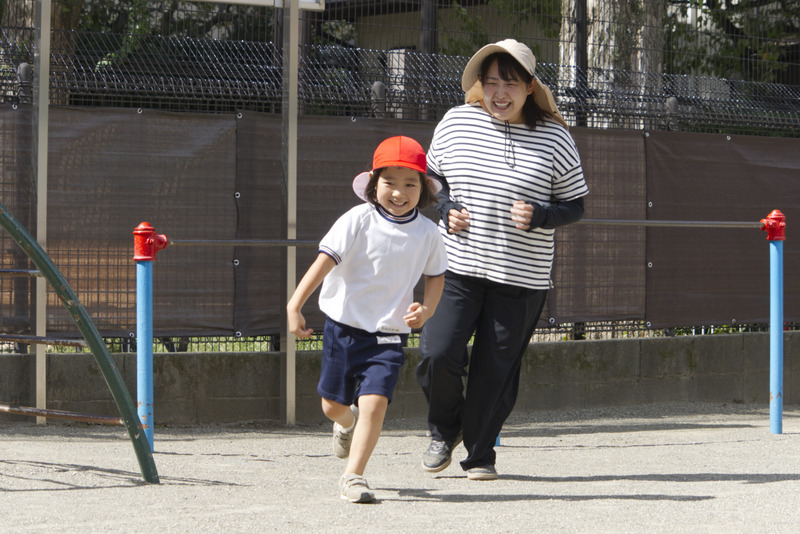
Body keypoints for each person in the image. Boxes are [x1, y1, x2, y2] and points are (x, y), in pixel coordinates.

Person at [416, 39, 589, 481]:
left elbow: (575, 204)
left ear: (530, 87)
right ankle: (444, 429)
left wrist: (542, 215)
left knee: (496, 371)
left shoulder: (555, 136)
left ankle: (479, 454)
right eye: (490, 81)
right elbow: (434, 179)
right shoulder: (456, 122)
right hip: (456, 267)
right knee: (437, 352)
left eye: (509, 82)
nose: (498, 92)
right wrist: (445, 206)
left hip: (521, 277)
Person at [287, 136, 448, 503]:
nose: (399, 192)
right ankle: (345, 425)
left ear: (423, 189)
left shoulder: (428, 232)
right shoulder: (357, 219)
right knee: (332, 406)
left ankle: (354, 476)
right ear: (374, 184)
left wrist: (427, 309)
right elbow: (323, 263)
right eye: (390, 182)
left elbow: (436, 275)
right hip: (343, 329)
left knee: (375, 403)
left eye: (410, 183)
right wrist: (294, 304)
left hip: (389, 336)